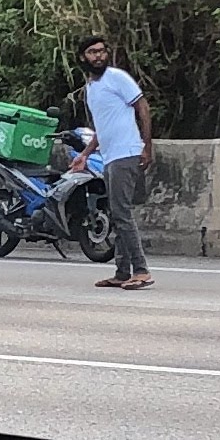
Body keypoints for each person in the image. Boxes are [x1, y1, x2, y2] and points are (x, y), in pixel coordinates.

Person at [71, 36, 155, 291]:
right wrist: (85, 154)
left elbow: (143, 107)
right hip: (109, 156)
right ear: (83, 58)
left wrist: (147, 146)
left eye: (102, 51)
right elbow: (102, 128)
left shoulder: (117, 77)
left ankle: (141, 270)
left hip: (126, 153)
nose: (98, 56)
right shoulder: (91, 89)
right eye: (92, 52)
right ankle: (122, 272)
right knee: (118, 214)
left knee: (121, 214)